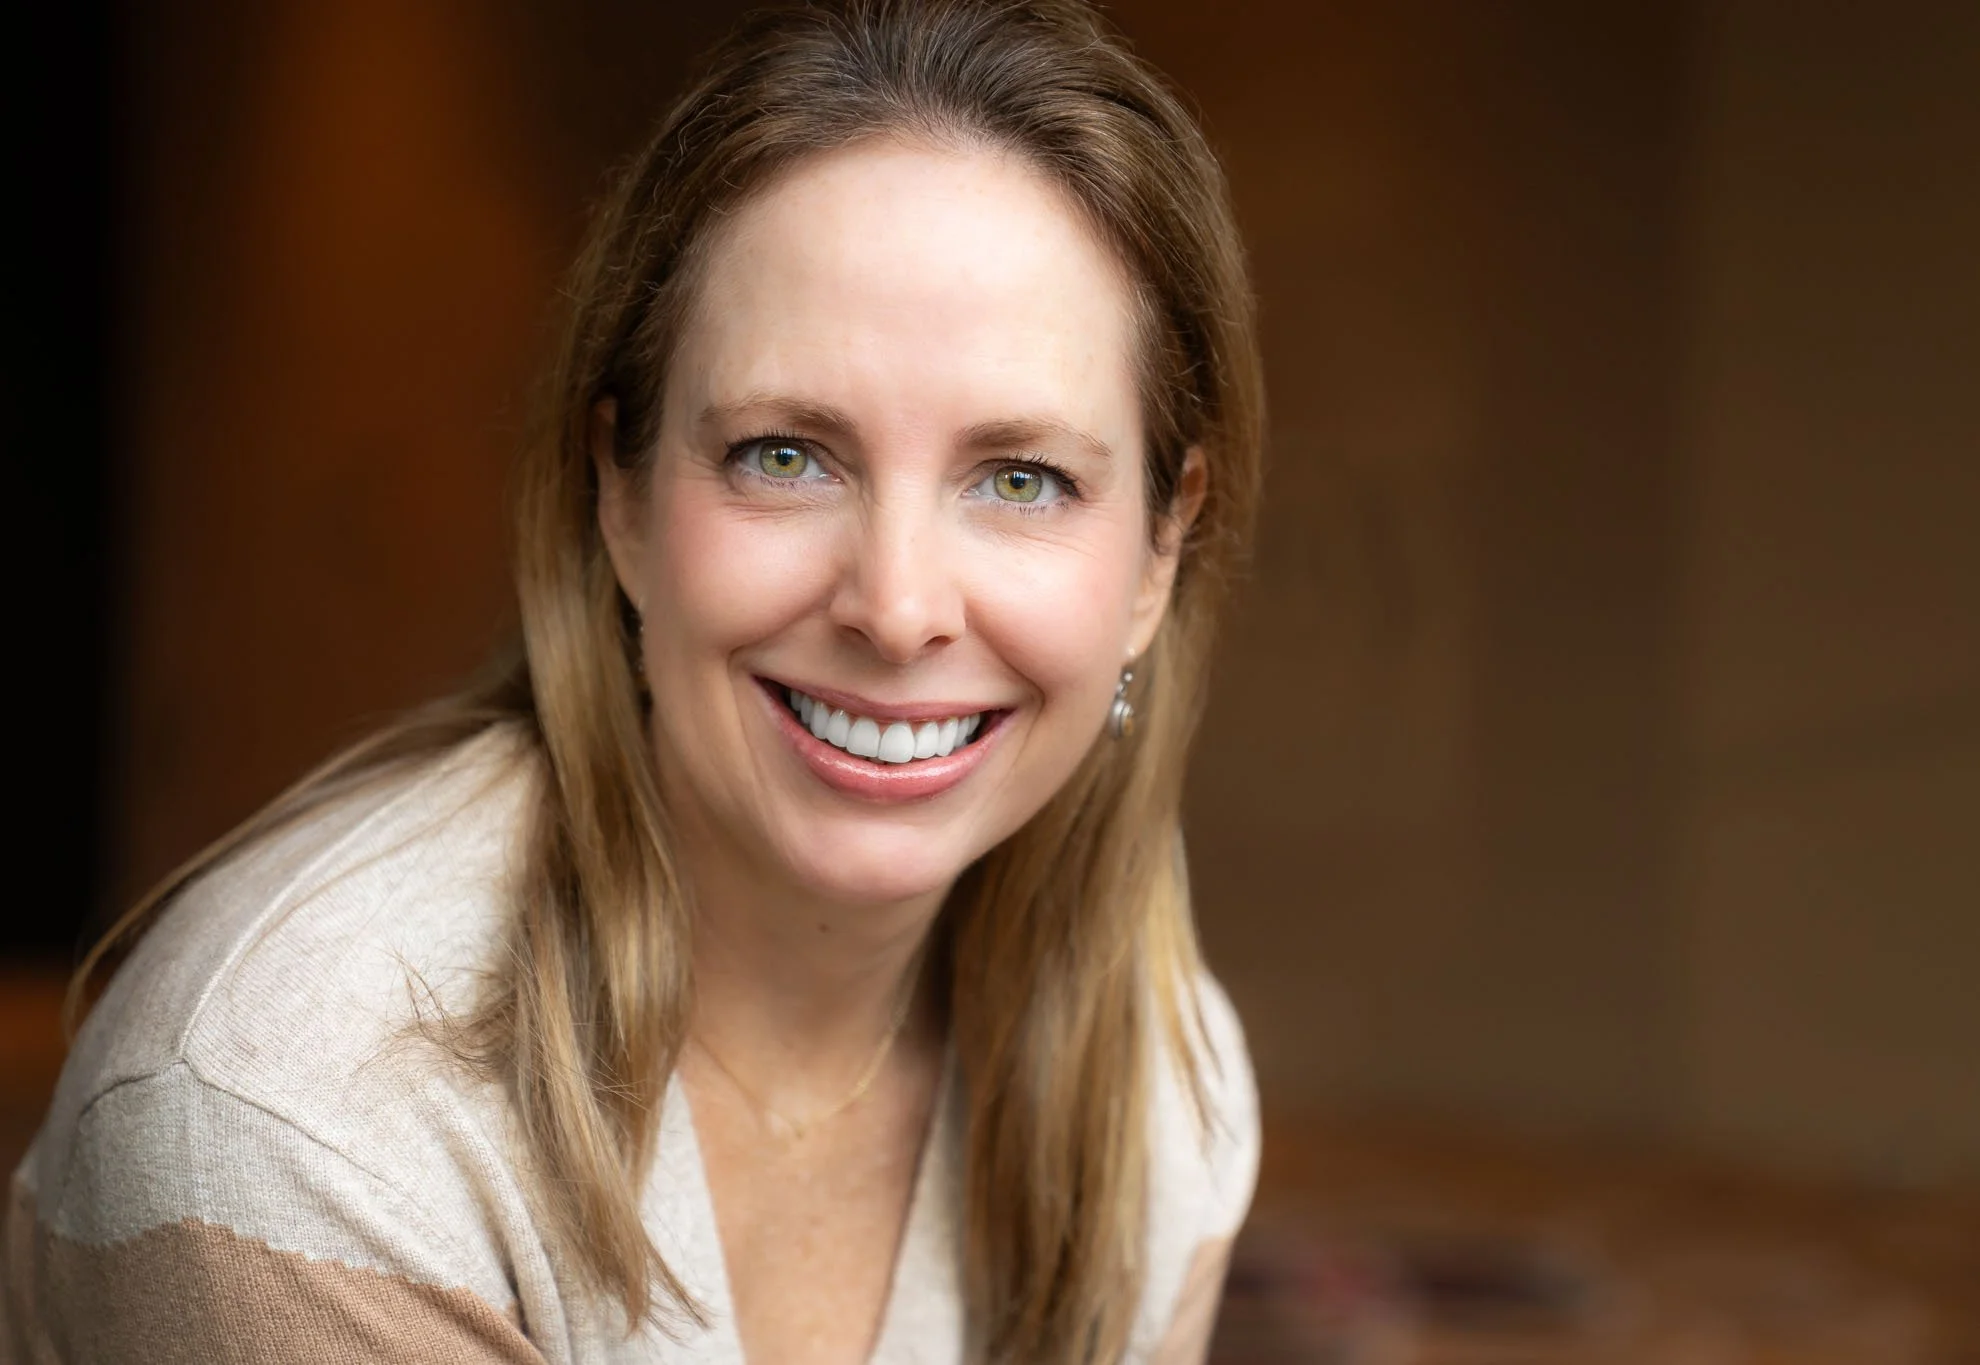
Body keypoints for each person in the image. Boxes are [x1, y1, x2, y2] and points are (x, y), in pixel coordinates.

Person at [4, 1, 1264, 1359]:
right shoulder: (299, 1122)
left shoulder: (1159, 1085)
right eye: (786, 455)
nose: (897, 610)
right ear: (620, 492)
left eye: (1022, 479)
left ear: (1158, 548)